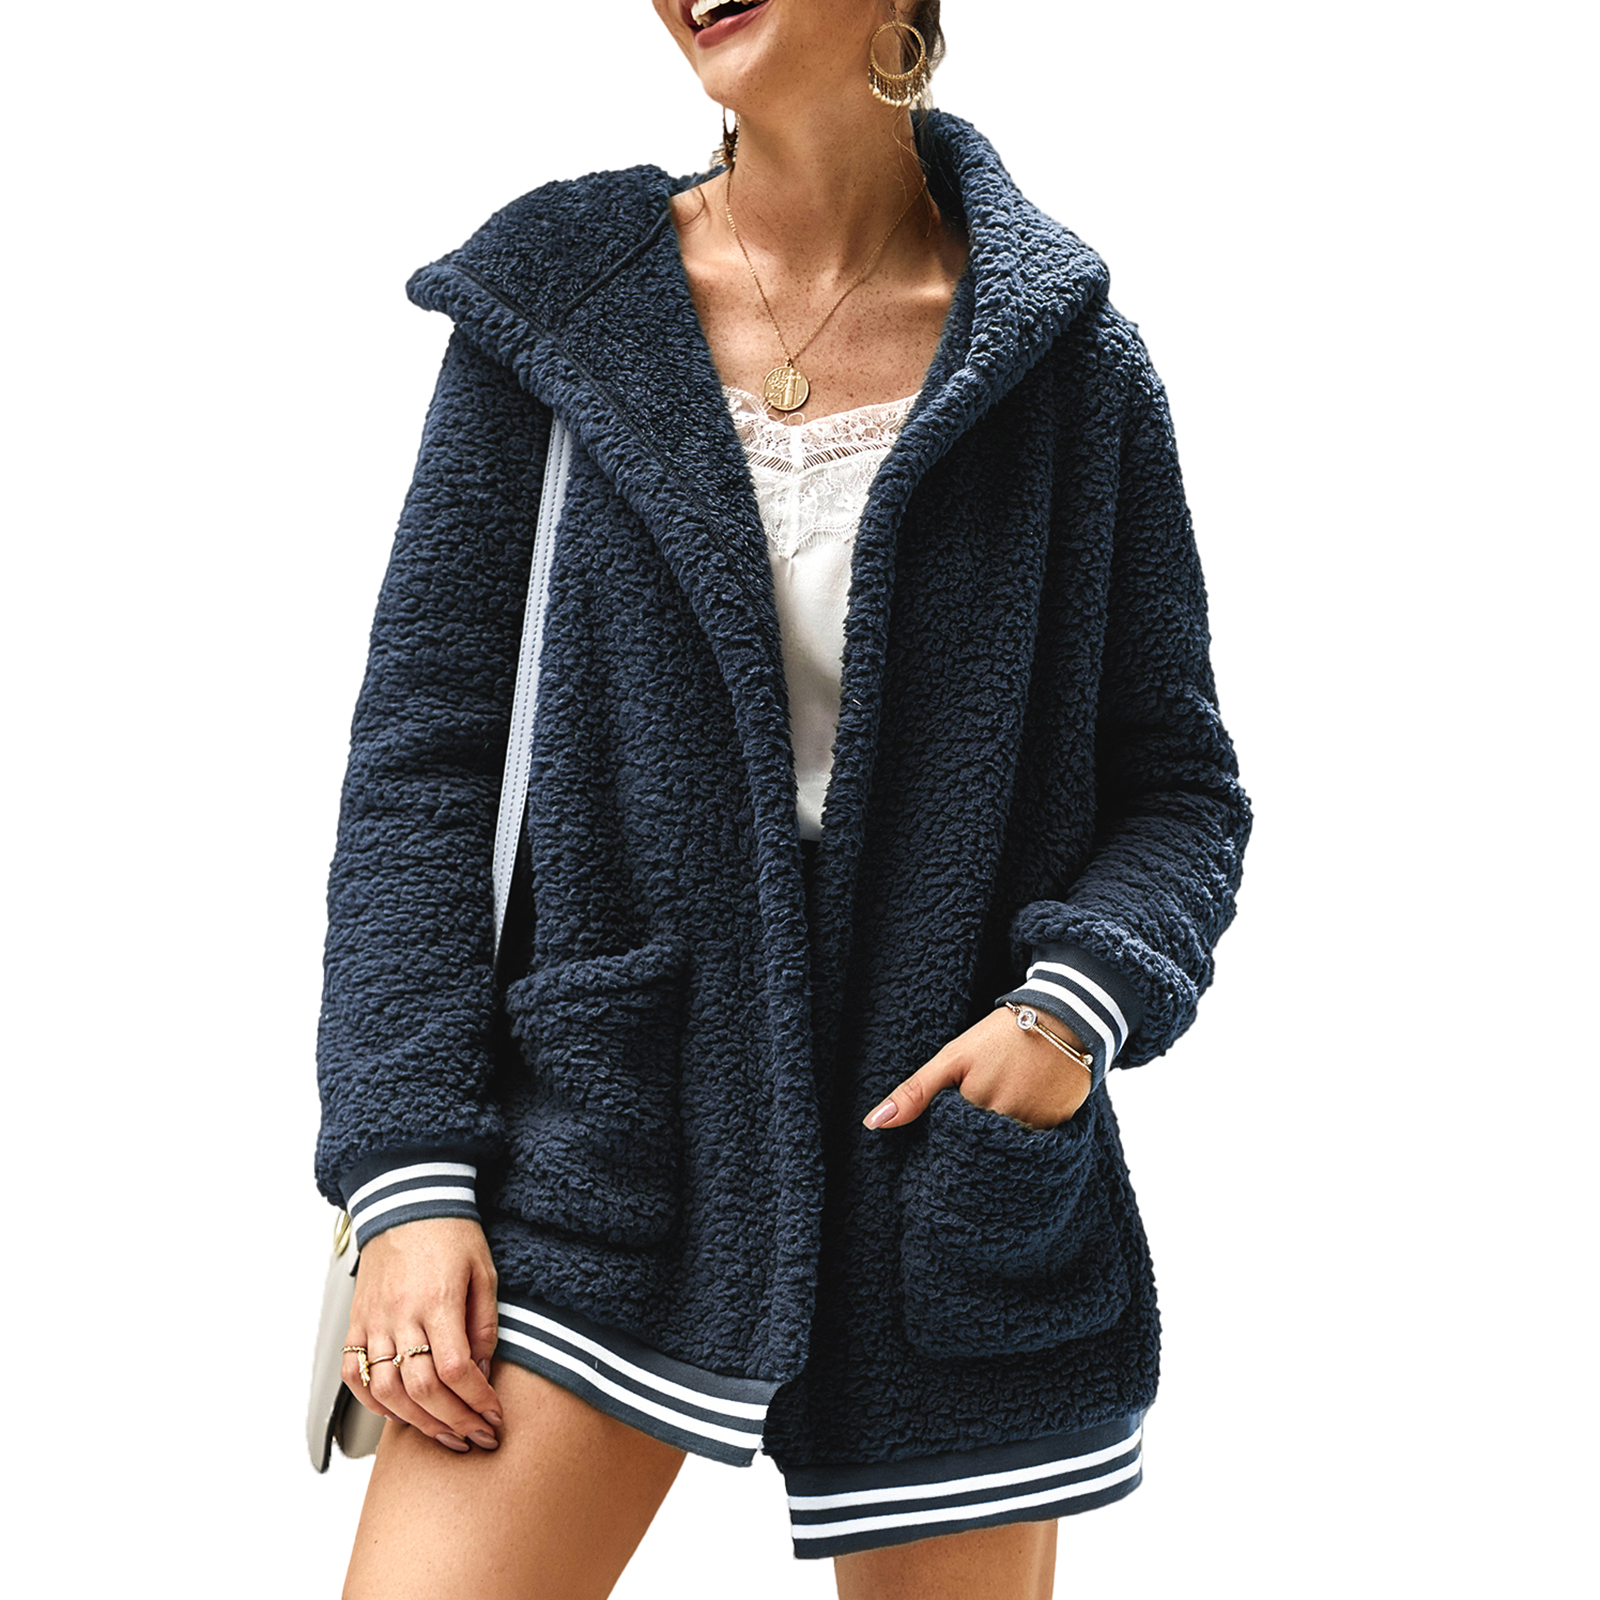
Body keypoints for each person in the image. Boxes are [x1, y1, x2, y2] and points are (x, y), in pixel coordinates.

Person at [314, 2, 1251, 1595]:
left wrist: (1063, 1019)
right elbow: (423, 777)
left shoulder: (1068, 368)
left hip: (941, 1183)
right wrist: (404, 1179)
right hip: (602, 1145)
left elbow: (1177, 792)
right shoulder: (558, 315)